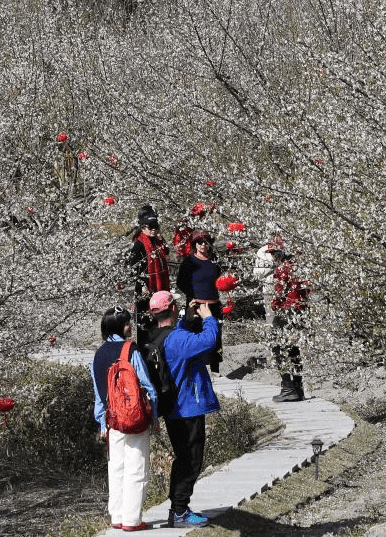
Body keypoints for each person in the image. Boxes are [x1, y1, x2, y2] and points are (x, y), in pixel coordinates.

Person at [154, 292, 219, 528]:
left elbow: (178, 340)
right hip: (188, 407)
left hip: (172, 406)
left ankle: (178, 509)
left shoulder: (160, 336)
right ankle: (179, 511)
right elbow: (208, 341)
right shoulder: (178, 339)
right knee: (191, 460)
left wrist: (187, 320)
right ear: (172, 308)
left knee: (182, 457)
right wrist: (208, 317)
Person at [91, 305, 158, 532]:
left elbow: (99, 393)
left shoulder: (98, 354)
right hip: (135, 418)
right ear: (121, 326)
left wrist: (102, 423)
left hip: (112, 420)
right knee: (136, 467)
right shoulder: (131, 350)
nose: (131, 326)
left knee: (116, 467)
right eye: (127, 322)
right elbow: (148, 387)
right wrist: (154, 417)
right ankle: (132, 520)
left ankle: (117, 516)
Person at [176, 229, 222, 372]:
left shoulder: (215, 260)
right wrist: (192, 295)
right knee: (195, 337)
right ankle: (196, 370)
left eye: (206, 242)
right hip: (196, 306)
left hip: (213, 305)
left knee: (215, 337)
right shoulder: (189, 262)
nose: (203, 245)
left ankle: (215, 371)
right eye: (200, 242)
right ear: (195, 245)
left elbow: (221, 280)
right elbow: (180, 283)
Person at [270, 249, 311, 402]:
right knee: (294, 349)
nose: (272, 257)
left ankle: (287, 387)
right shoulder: (301, 267)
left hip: (287, 311)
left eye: (274, 253)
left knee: (276, 346)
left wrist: (274, 304)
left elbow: (279, 294)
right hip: (300, 311)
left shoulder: (283, 269)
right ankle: (298, 386)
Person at [128, 204, 170, 343]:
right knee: (146, 326)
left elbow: (167, 253)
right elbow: (132, 269)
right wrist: (143, 284)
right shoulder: (139, 244)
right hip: (145, 290)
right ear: (142, 227)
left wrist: (160, 238)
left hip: (159, 289)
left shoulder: (158, 242)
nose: (154, 230)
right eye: (150, 227)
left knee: (160, 326)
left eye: (155, 226)